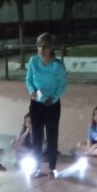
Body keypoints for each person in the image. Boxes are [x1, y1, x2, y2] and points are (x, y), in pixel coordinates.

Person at [25, 33, 68, 177]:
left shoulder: (57, 66)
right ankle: (36, 167)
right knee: (36, 136)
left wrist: (54, 98)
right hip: (36, 104)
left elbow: (63, 85)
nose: (41, 50)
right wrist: (31, 90)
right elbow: (28, 79)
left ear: (51, 48)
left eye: (44, 46)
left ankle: (52, 168)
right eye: (39, 46)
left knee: (51, 136)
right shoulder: (33, 62)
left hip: (52, 105)